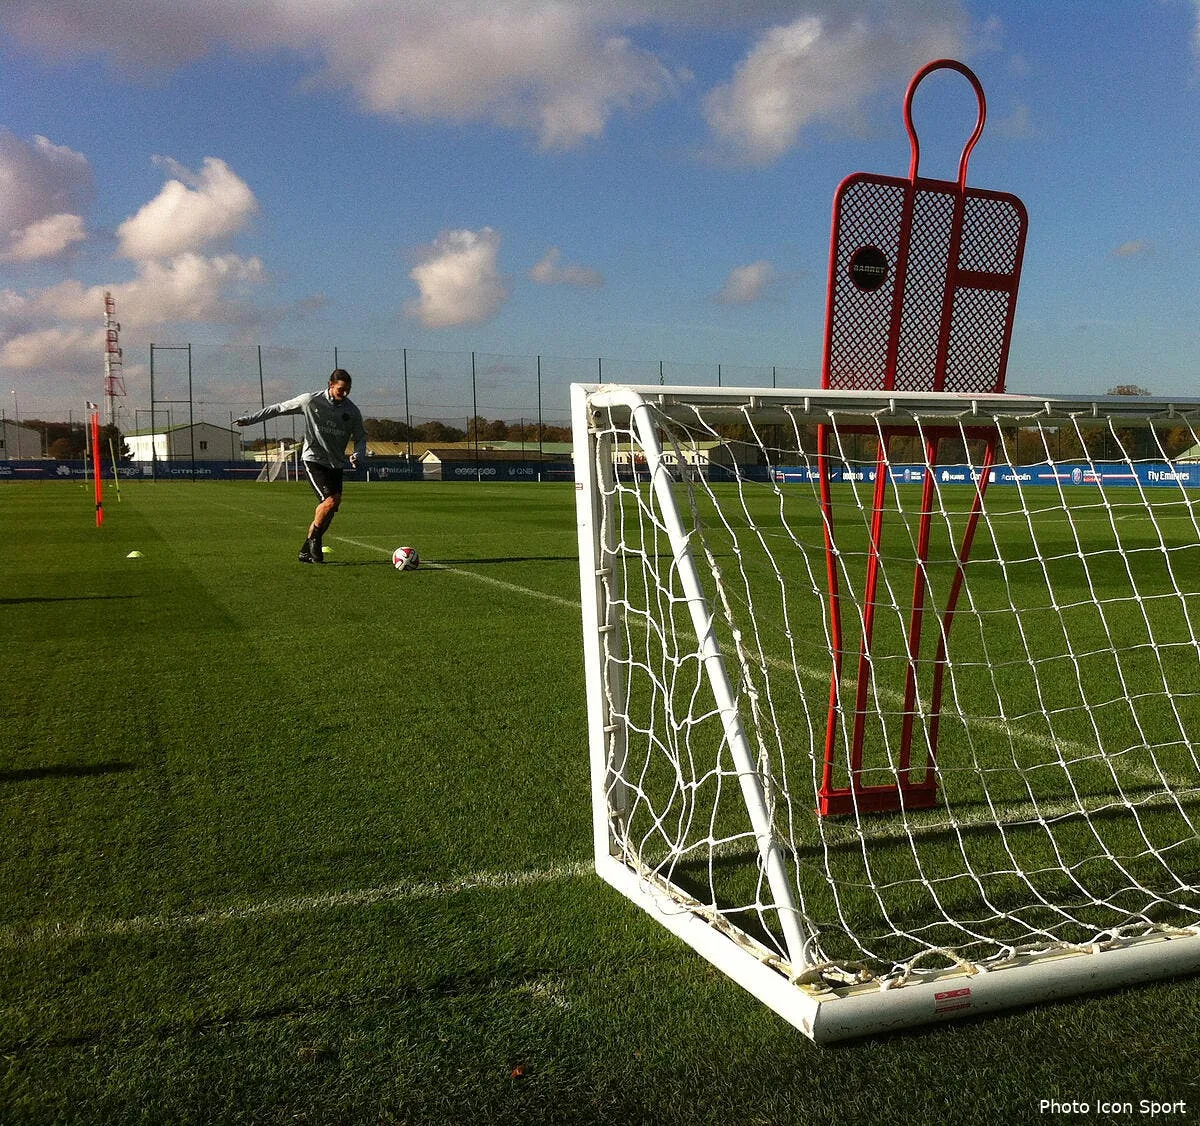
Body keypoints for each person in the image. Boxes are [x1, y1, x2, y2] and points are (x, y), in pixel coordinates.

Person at [235, 369, 367, 563]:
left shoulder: (352, 411)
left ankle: (306, 549)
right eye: (341, 389)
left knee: (330, 508)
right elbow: (278, 408)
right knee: (331, 500)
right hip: (314, 459)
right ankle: (314, 540)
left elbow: (361, 437)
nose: (345, 394)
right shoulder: (310, 401)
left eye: (348, 390)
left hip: (336, 463)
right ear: (330, 385)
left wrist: (358, 454)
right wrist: (250, 419)